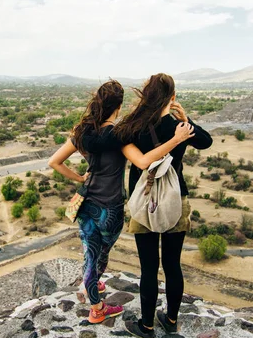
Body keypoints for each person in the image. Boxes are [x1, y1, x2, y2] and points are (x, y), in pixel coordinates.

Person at [48, 79, 194, 325]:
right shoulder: (118, 135)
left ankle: (92, 291)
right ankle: (96, 304)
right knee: (101, 255)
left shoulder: (80, 133)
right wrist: (175, 140)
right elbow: (144, 161)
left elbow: (54, 161)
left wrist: (79, 176)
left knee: (89, 255)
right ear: (118, 106)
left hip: (85, 201)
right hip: (111, 206)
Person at [116, 73, 212, 338]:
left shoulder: (132, 126)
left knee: (149, 267)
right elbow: (206, 141)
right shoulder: (177, 127)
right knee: (172, 264)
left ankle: (146, 326)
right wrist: (186, 120)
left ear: (146, 95)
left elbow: (117, 140)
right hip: (174, 199)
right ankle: (170, 321)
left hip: (144, 201)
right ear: (172, 98)